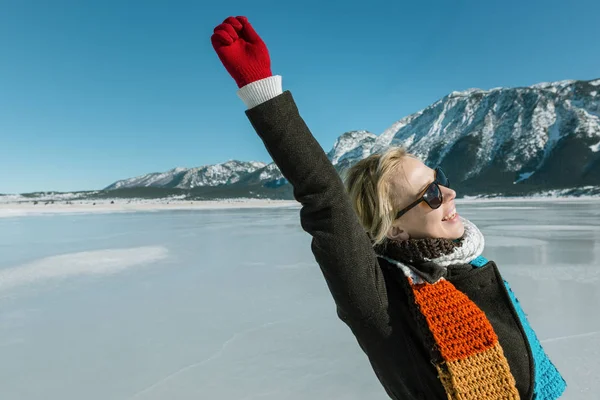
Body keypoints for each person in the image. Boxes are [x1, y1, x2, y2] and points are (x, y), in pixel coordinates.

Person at [210, 16, 566, 400]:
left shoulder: (468, 266)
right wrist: (262, 90)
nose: (449, 193)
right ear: (393, 228)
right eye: (429, 194)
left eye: (439, 179)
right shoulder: (382, 300)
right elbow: (325, 199)